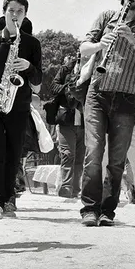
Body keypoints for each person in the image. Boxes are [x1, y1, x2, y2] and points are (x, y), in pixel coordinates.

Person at [79, 0, 135, 226]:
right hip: (98, 93)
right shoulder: (106, 18)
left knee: (116, 160)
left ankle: (107, 211)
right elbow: (83, 48)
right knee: (93, 152)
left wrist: (132, 39)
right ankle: (89, 208)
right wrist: (99, 44)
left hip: (127, 98)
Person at [0, 0, 42, 219]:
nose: (15, 15)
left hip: (19, 105)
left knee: (14, 153)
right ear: (4, 12)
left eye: (19, 11)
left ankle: (9, 199)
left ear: (25, 14)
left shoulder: (32, 43)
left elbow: (38, 81)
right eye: (11, 11)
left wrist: (28, 66)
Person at [51, 55, 85, 199]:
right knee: (67, 154)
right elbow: (53, 87)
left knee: (80, 157)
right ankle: (65, 187)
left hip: (83, 119)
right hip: (66, 118)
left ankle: (75, 189)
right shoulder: (66, 70)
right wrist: (70, 86)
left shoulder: (92, 68)